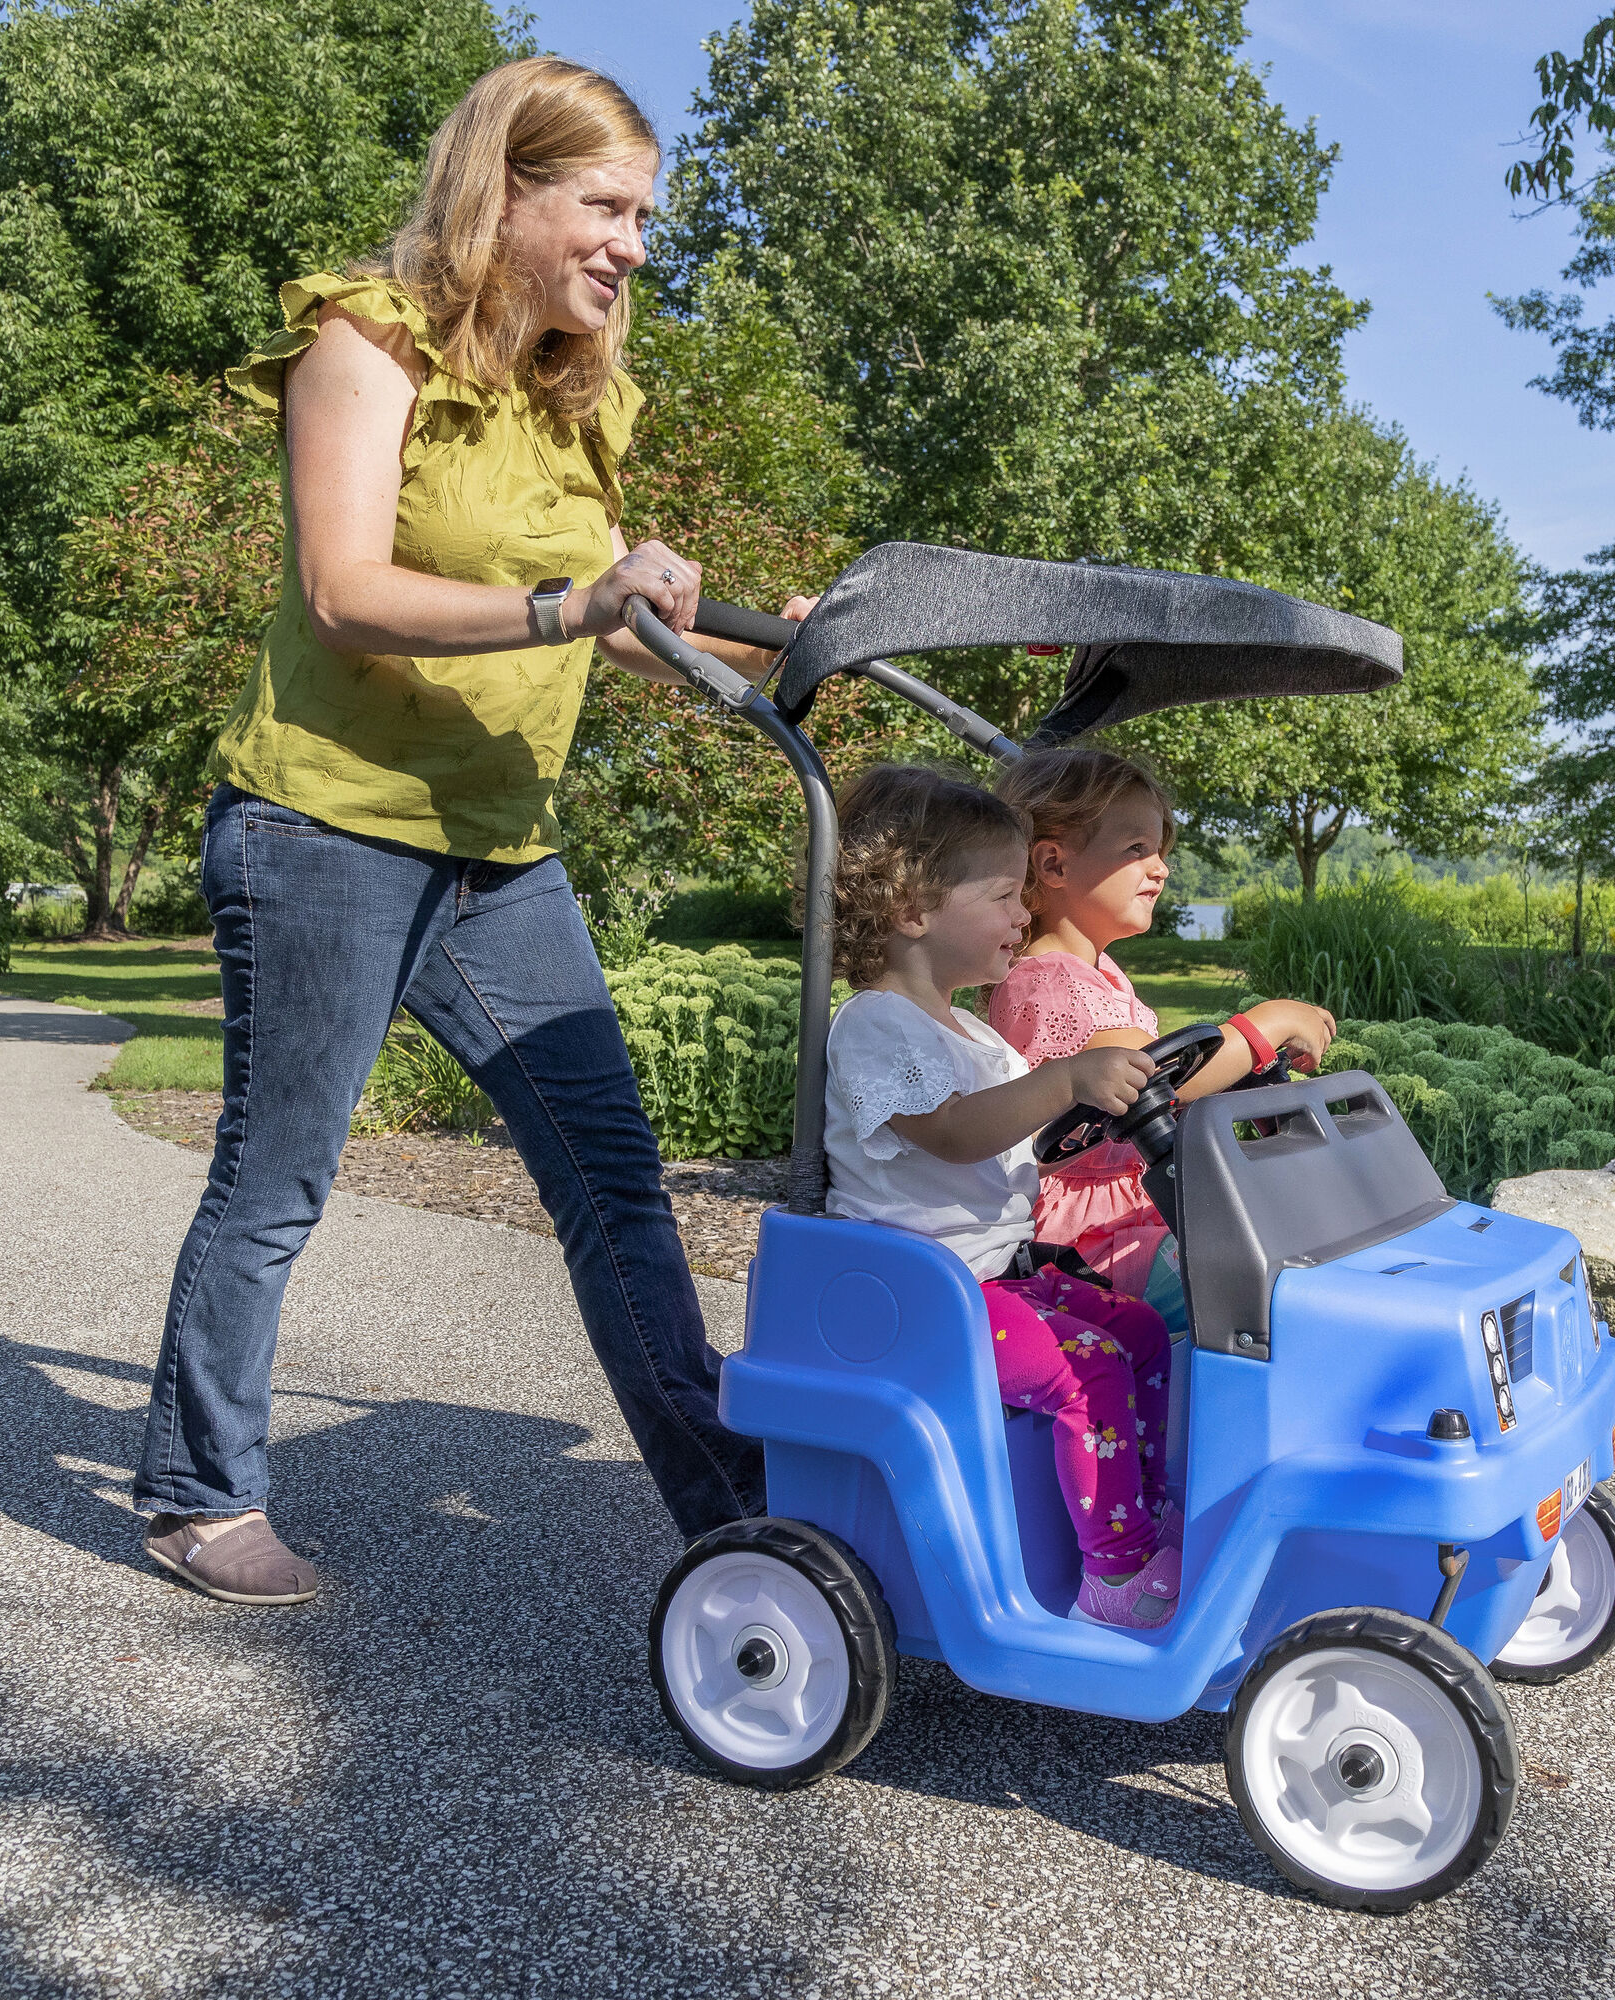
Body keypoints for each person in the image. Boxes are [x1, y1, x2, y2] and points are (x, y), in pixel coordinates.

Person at [134, 57, 800, 1607]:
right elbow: (345, 592)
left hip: (500, 852)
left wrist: (789, 644)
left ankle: (729, 1505)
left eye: (647, 216)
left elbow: (619, 635)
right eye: (608, 206)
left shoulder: (578, 394)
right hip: (325, 828)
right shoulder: (367, 342)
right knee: (276, 1180)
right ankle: (195, 1492)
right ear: (506, 189)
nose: (635, 243)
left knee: (613, 1180)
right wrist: (579, 598)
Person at [822, 765, 1183, 1629]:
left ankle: (1146, 1508)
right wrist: (1064, 1080)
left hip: (991, 1277)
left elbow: (1027, 1134)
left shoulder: (973, 1031)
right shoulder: (874, 1023)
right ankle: (1113, 1573)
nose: (1025, 916)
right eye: (1004, 897)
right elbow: (953, 1131)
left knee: (1135, 1328)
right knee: (1084, 1369)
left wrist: (1088, 1105)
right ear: (914, 909)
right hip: (918, 1295)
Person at [988, 749, 1336, 1333]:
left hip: (1147, 1193)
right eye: (1137, 850)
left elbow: (1174, 1077)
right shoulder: (1044, 980)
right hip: (1091, 1231)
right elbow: (1143, 1073)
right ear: (1053, 864)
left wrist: (1245, 1070)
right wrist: (1265, 1025)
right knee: (1269, 1290)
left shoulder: (1100, 971)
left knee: (1296, 1244)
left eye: (1160, 851)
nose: (1161, 868)